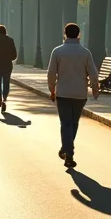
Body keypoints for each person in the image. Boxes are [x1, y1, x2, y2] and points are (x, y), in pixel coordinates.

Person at [47, 23, 98, 169]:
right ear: (78, 34)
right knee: (74, 123)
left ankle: (67, 149)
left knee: (66, 123)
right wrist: (95, 88)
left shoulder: (57, 51)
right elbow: (93, 73)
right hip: (79, 93)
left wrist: (52, 90)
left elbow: (51, 73)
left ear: (65, 34)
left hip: (63, 93)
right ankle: (68, 149)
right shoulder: (85, 53)